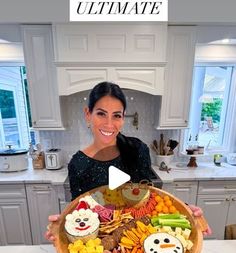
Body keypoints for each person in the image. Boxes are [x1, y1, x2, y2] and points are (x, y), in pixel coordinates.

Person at [45, 81, 211, 241]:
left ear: (123, 119)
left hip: (140, 239)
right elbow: (79, 211)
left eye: (116, 115)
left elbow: (152, 199)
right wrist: (63, 225)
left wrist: (184, 210)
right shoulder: (78, 164)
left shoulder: (137, 149)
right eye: (101, 113)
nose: (109, 124)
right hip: (100, 246)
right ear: (88, 115)